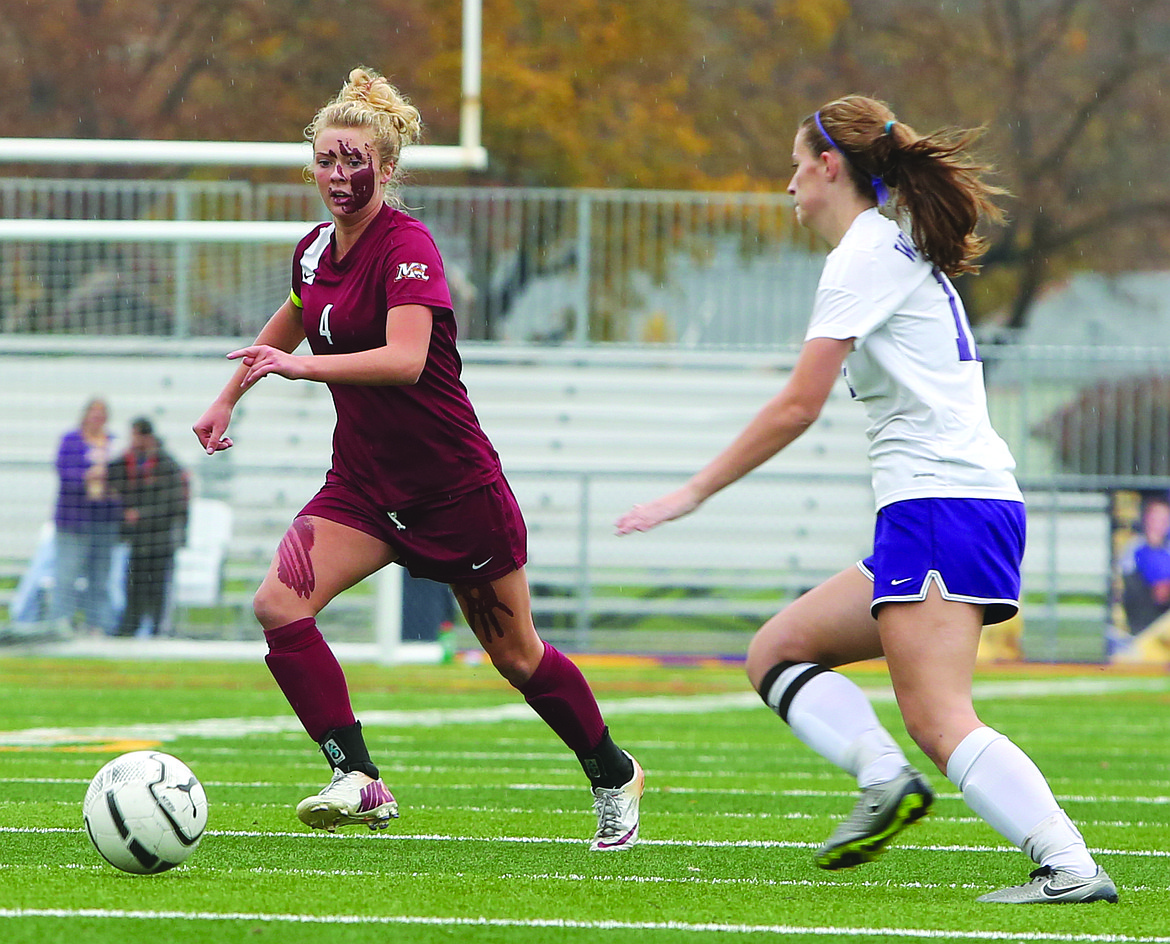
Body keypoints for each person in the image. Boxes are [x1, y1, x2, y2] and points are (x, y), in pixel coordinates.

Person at [616, 95, 1116, 903]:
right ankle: (884, 777)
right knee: (776, 652)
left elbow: (796, 405)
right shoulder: (889, 245)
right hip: (947, 507)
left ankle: (1067, 865)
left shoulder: (863, 252)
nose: (787, 188)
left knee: (940, 717)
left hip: (939, 507)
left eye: (793, 168)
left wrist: (693, 492)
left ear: (828, 167)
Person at [192, 66, 642, 850]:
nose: (338, 175)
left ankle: (611, 770)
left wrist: (303, 369)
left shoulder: (409, 246)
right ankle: (358, 778)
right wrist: (229, 394)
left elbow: (405, 358)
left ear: (388, 168)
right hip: (363, 488)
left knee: (516, 655)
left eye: (353, 160)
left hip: (450, 488)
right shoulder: (311, 253)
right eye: (326, 161)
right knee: (277, 604)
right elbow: (287, 325)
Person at [108, 418, 189, 637]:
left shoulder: (167, 465)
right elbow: (111, 474)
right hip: (138, 540)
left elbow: (173, 504)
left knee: (158, 585)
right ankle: (130, 626)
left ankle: (156, 628)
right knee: (134, 583)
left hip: (161, 539)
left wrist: (141, 515)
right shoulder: (131, 462)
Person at [52, 396, 122, 634]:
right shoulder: (71, 441)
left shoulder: (113, 443)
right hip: (74, 520)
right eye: (93, 413)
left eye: (101, 414)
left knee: (100, 577)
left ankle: (97, 625)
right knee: (67, 574)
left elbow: (123, 476)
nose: (97, 418)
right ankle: (61, 624)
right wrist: (87, 476)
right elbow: (63, 471)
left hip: (104, 519)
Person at [1120, 494, 1170, 634]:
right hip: (1143, 619)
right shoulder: (1134, 548)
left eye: (1164, 519)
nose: (1159, 524)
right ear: (1146, 519)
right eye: (1155, 518)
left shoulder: (1167, 550)